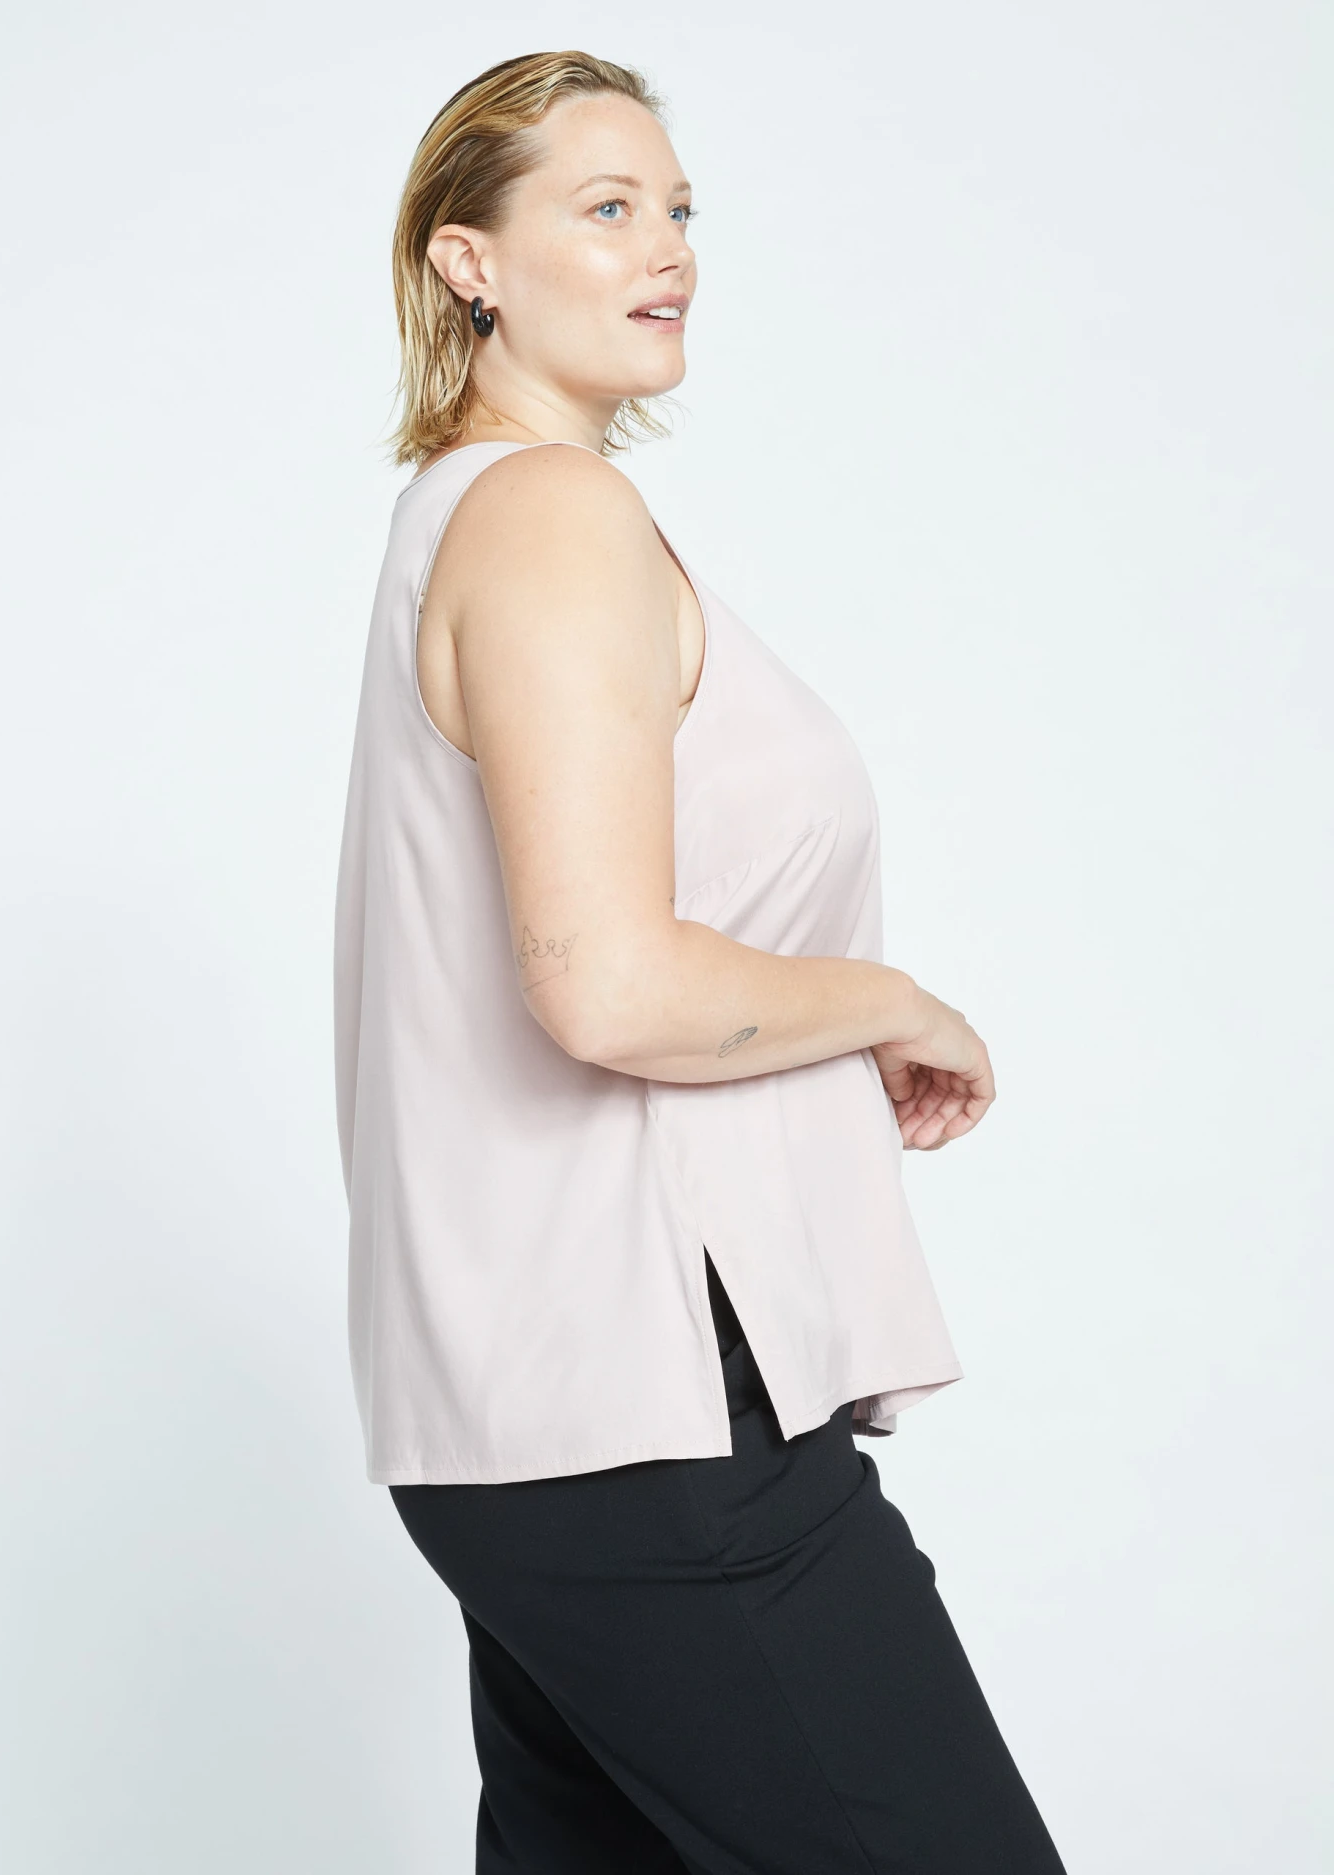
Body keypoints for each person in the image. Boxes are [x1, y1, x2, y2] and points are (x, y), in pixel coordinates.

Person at [334, 49, 1069, 1875]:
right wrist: (896, 1001)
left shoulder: (475, 513)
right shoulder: (545, 516)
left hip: (542, 1420)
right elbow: (604, 983)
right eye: (605, 207)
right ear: (467, 262)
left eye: (678, 208)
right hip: (649, 1414)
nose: (666, 247)